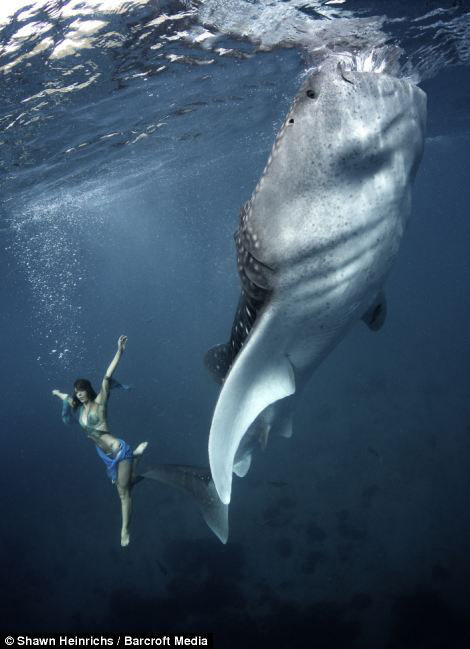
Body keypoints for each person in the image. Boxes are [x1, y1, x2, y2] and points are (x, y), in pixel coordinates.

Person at [52, 335, 147, 547]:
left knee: (124, 493)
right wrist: (58, 393)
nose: (80, 394)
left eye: (83, 390)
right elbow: (65, 398)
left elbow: (107, 376)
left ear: (89, 390)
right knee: (124, 482)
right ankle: (137, 457)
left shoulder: (99, 403)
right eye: (78, 392)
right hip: (104, 455)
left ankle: (125, 529)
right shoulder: (77, 406)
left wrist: (120, 352)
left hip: (118, 449)